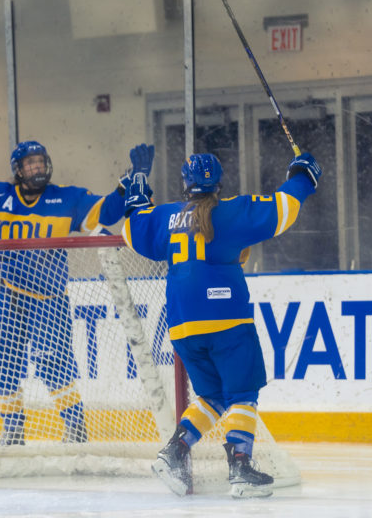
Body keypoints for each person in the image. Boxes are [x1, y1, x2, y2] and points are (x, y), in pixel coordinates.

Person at [0, 133, 154, 446]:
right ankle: (13, 431)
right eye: (30, 163)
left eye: (41, 161)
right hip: (9, 297)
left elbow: (104, 213)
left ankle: (76, 430)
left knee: (54, 365)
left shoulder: (67, 199)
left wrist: (130, 180)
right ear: (17, 169)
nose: (37, 167)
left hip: (49, 300)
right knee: (1, 362)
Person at [122, 151, 321, 498]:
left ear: (185, 184)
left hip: (183, 324)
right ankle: (241, 467)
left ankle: (175, 452)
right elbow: (284, 209)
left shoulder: (168, 215)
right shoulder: (230, 212)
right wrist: (303, 175)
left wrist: (135, 194)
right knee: (243, 393)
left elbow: (132, 229)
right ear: (219, 180)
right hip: (226, 320)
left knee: (212, 396)